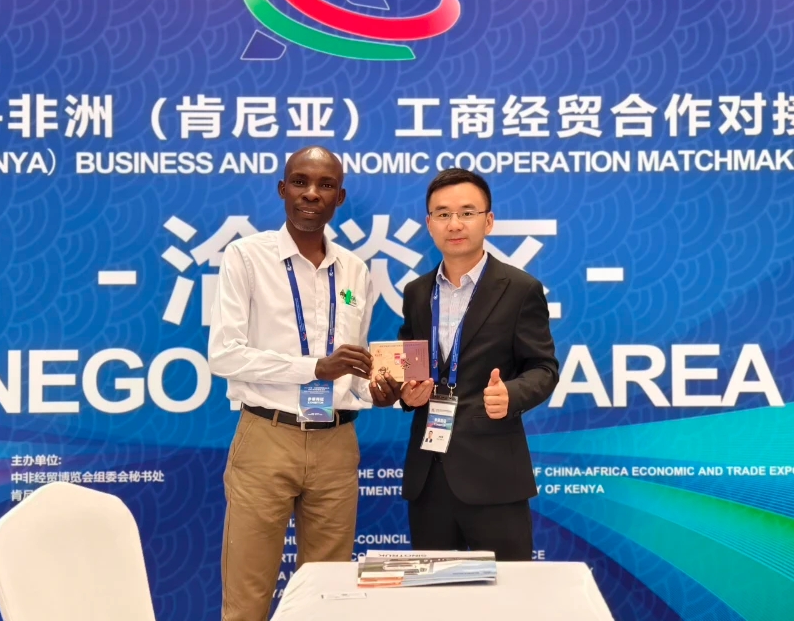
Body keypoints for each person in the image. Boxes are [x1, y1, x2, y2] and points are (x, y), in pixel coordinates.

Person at [209, 146, 399, 621]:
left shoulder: (355, 270)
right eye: (300, 182)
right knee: (247, 600)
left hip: (337, 444)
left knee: (327, 600)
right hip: (266, 438)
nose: (311, 193)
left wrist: (375, 393)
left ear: (340, 197)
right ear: (282, 189)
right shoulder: (246, 257)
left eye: (325, 185)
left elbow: (353, 370)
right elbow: (224, 355)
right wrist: (314, 368)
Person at [396, 168, 559, 560]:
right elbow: (409, 365)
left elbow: (544, 368)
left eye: (467, 213)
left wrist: (512, 394)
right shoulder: (417, 293)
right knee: (434, 590)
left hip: (494, 475)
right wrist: (407, 392)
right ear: (429, 224)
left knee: (508, 590)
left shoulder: (520, 289)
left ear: (488, 220)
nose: (455, 224)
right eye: (443, 214)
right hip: (428, 475)